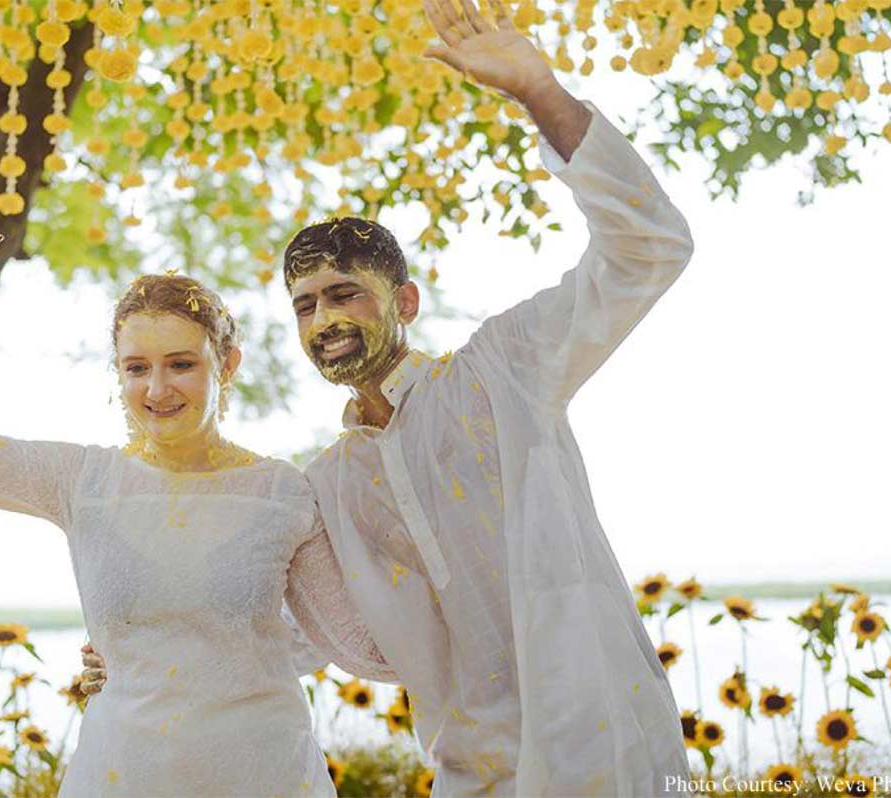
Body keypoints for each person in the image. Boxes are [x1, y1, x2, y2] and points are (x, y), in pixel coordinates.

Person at [83, 0, 694, 792]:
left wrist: (541, 92)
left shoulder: (503, 373)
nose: (325, 320)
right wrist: (142, 650)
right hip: (471, 772)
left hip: (603, 748)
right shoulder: (327, 486)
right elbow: (292, 633)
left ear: (403, 303)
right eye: (305, 305)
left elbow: (650, 248)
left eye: (345, 294)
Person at [0, 200, 395, 798]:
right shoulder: (81, 481)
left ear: (226, 365)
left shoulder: (282, 491)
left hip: (265, 772)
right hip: (122, 773)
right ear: (117, 373)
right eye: (136, 367)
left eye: (181, 365)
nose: (156, 389)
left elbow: (352, 641)